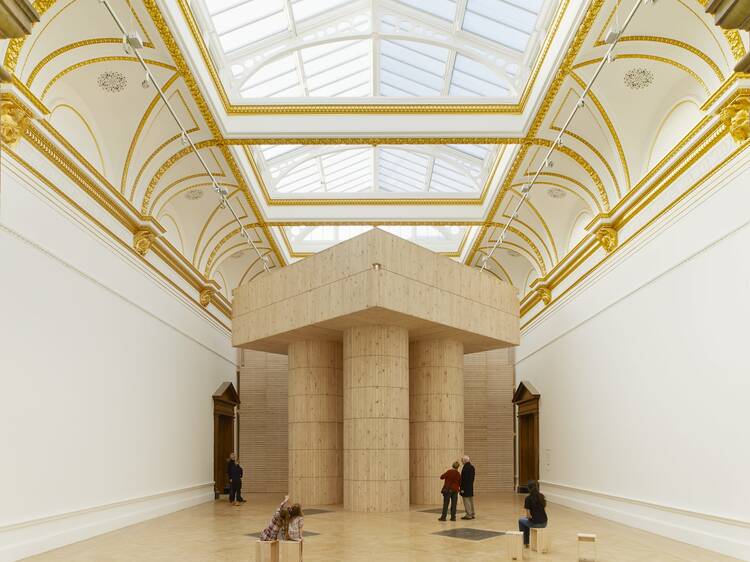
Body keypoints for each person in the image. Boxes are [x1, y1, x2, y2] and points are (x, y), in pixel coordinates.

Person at [518, 480, 548, 547]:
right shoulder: (542, 496)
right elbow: (544, 510)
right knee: (526, 521)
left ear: (529, 488)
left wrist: (530, 517)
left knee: (521, 521)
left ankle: (526, 542)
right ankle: (527, 542)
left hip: (535, 523)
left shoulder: (528, 498)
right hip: (545, 522)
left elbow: (528, 516)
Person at [459, 455, 476, 520]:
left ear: (464, 461)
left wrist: (462, 488)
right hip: (470, 486)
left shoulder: (465, 468)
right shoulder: (472, 467)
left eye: (462, 461)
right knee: (471, 501)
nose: (462, 462)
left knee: (466, 501)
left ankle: (468, 515)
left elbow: (464, 479)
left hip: (465, 488)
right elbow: (472, 478)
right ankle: (472, 513)